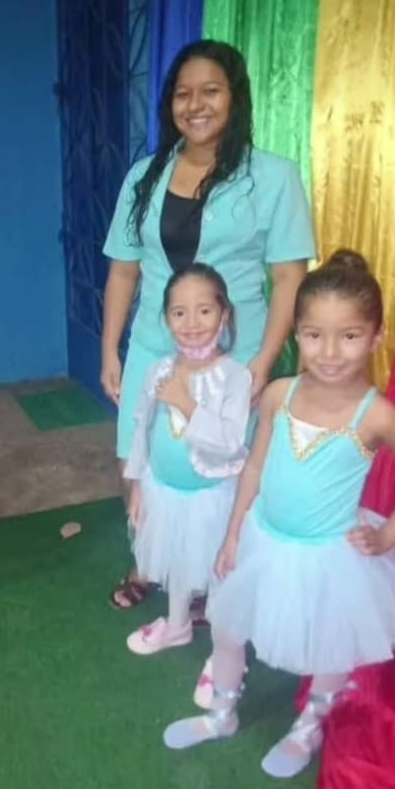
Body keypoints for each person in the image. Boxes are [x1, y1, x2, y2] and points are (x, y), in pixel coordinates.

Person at [162, 252, 395, 777]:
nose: (329, 352)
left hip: (330, 554)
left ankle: (308, 727)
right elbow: (256, 466)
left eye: (349, 336)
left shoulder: (377, 416)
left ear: (376, 337)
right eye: (313, 335)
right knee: (228, 627)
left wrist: (389, 536)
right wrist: (233, 534)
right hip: (262, 538)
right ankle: (221, 714)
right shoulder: (279, 395)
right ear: (297, 334)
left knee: (330, 645)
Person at [102, 40, 316, 610]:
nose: (195, 105)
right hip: (154, 346)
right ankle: (149, 560)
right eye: (183, 94)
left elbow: (289, 280)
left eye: (210, 91)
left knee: (221, 468)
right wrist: (110, 350)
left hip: (234, 355)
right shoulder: (144, 176)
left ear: (235, 98)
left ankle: (210, 575)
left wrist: (262, 363)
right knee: (140, 458)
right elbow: (123, 271)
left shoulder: (274, 177)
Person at [123, 264, 251, 655]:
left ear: (224, 314)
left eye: (204, 310)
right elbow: (142, 429)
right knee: (176, 557)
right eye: (179, 312)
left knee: (220, 570)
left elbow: (230, 442)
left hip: (213, 497)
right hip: (163, 489)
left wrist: (186, 404)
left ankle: (225, 655)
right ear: (166, 319)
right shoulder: (158, 370)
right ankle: (177, 625)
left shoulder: (234, 376)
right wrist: (138, 484)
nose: (191, 323)